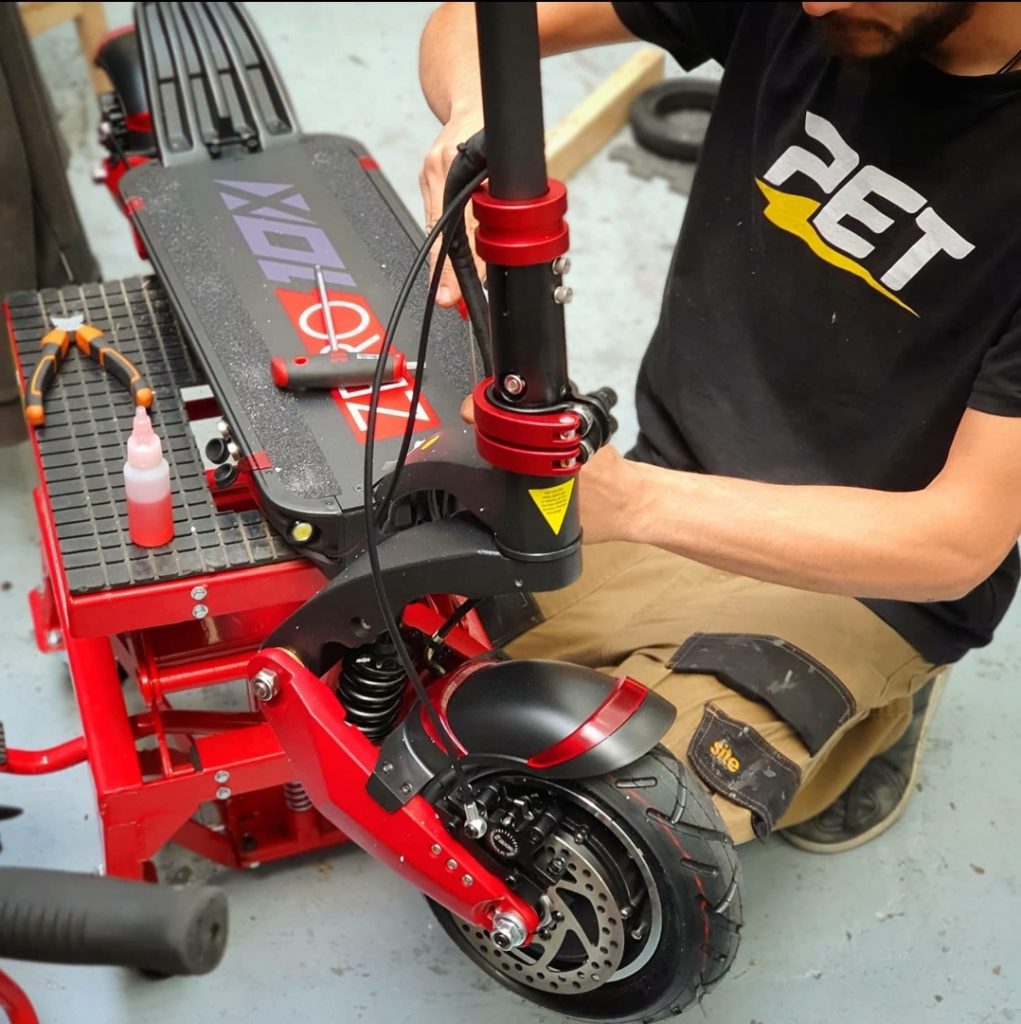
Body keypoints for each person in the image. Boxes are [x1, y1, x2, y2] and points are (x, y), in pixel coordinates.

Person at [418, 1, 1021, 850]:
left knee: (602, 837)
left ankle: (875, 710)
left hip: (870, 579)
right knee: (397, 646)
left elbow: (959, 543)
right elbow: (479, 17)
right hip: (679, 480)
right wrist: (478, 128)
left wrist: (630, 502)